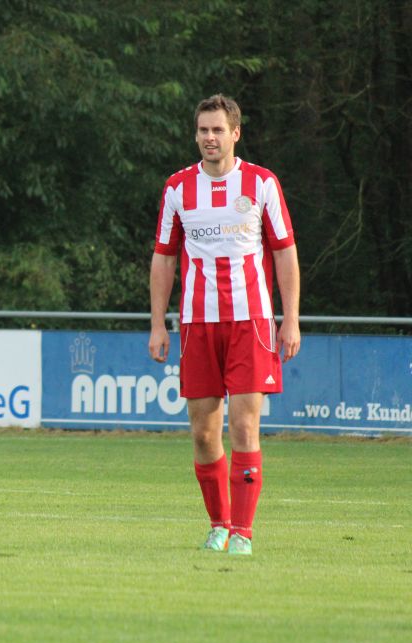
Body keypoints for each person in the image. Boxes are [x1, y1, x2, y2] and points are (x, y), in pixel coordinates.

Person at [149, 94, 301, 555]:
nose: (209, 138)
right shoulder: (178, 188)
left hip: (250, 322)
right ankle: (219, 524)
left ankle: (242, 533)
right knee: (203, 432)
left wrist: (290, 319)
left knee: (244, 427)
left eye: (218, 130)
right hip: (197, 324)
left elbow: (285, 253)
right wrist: (158, 324)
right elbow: (163, 259)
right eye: (203, 130)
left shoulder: (262, 183)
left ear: (236, 133)